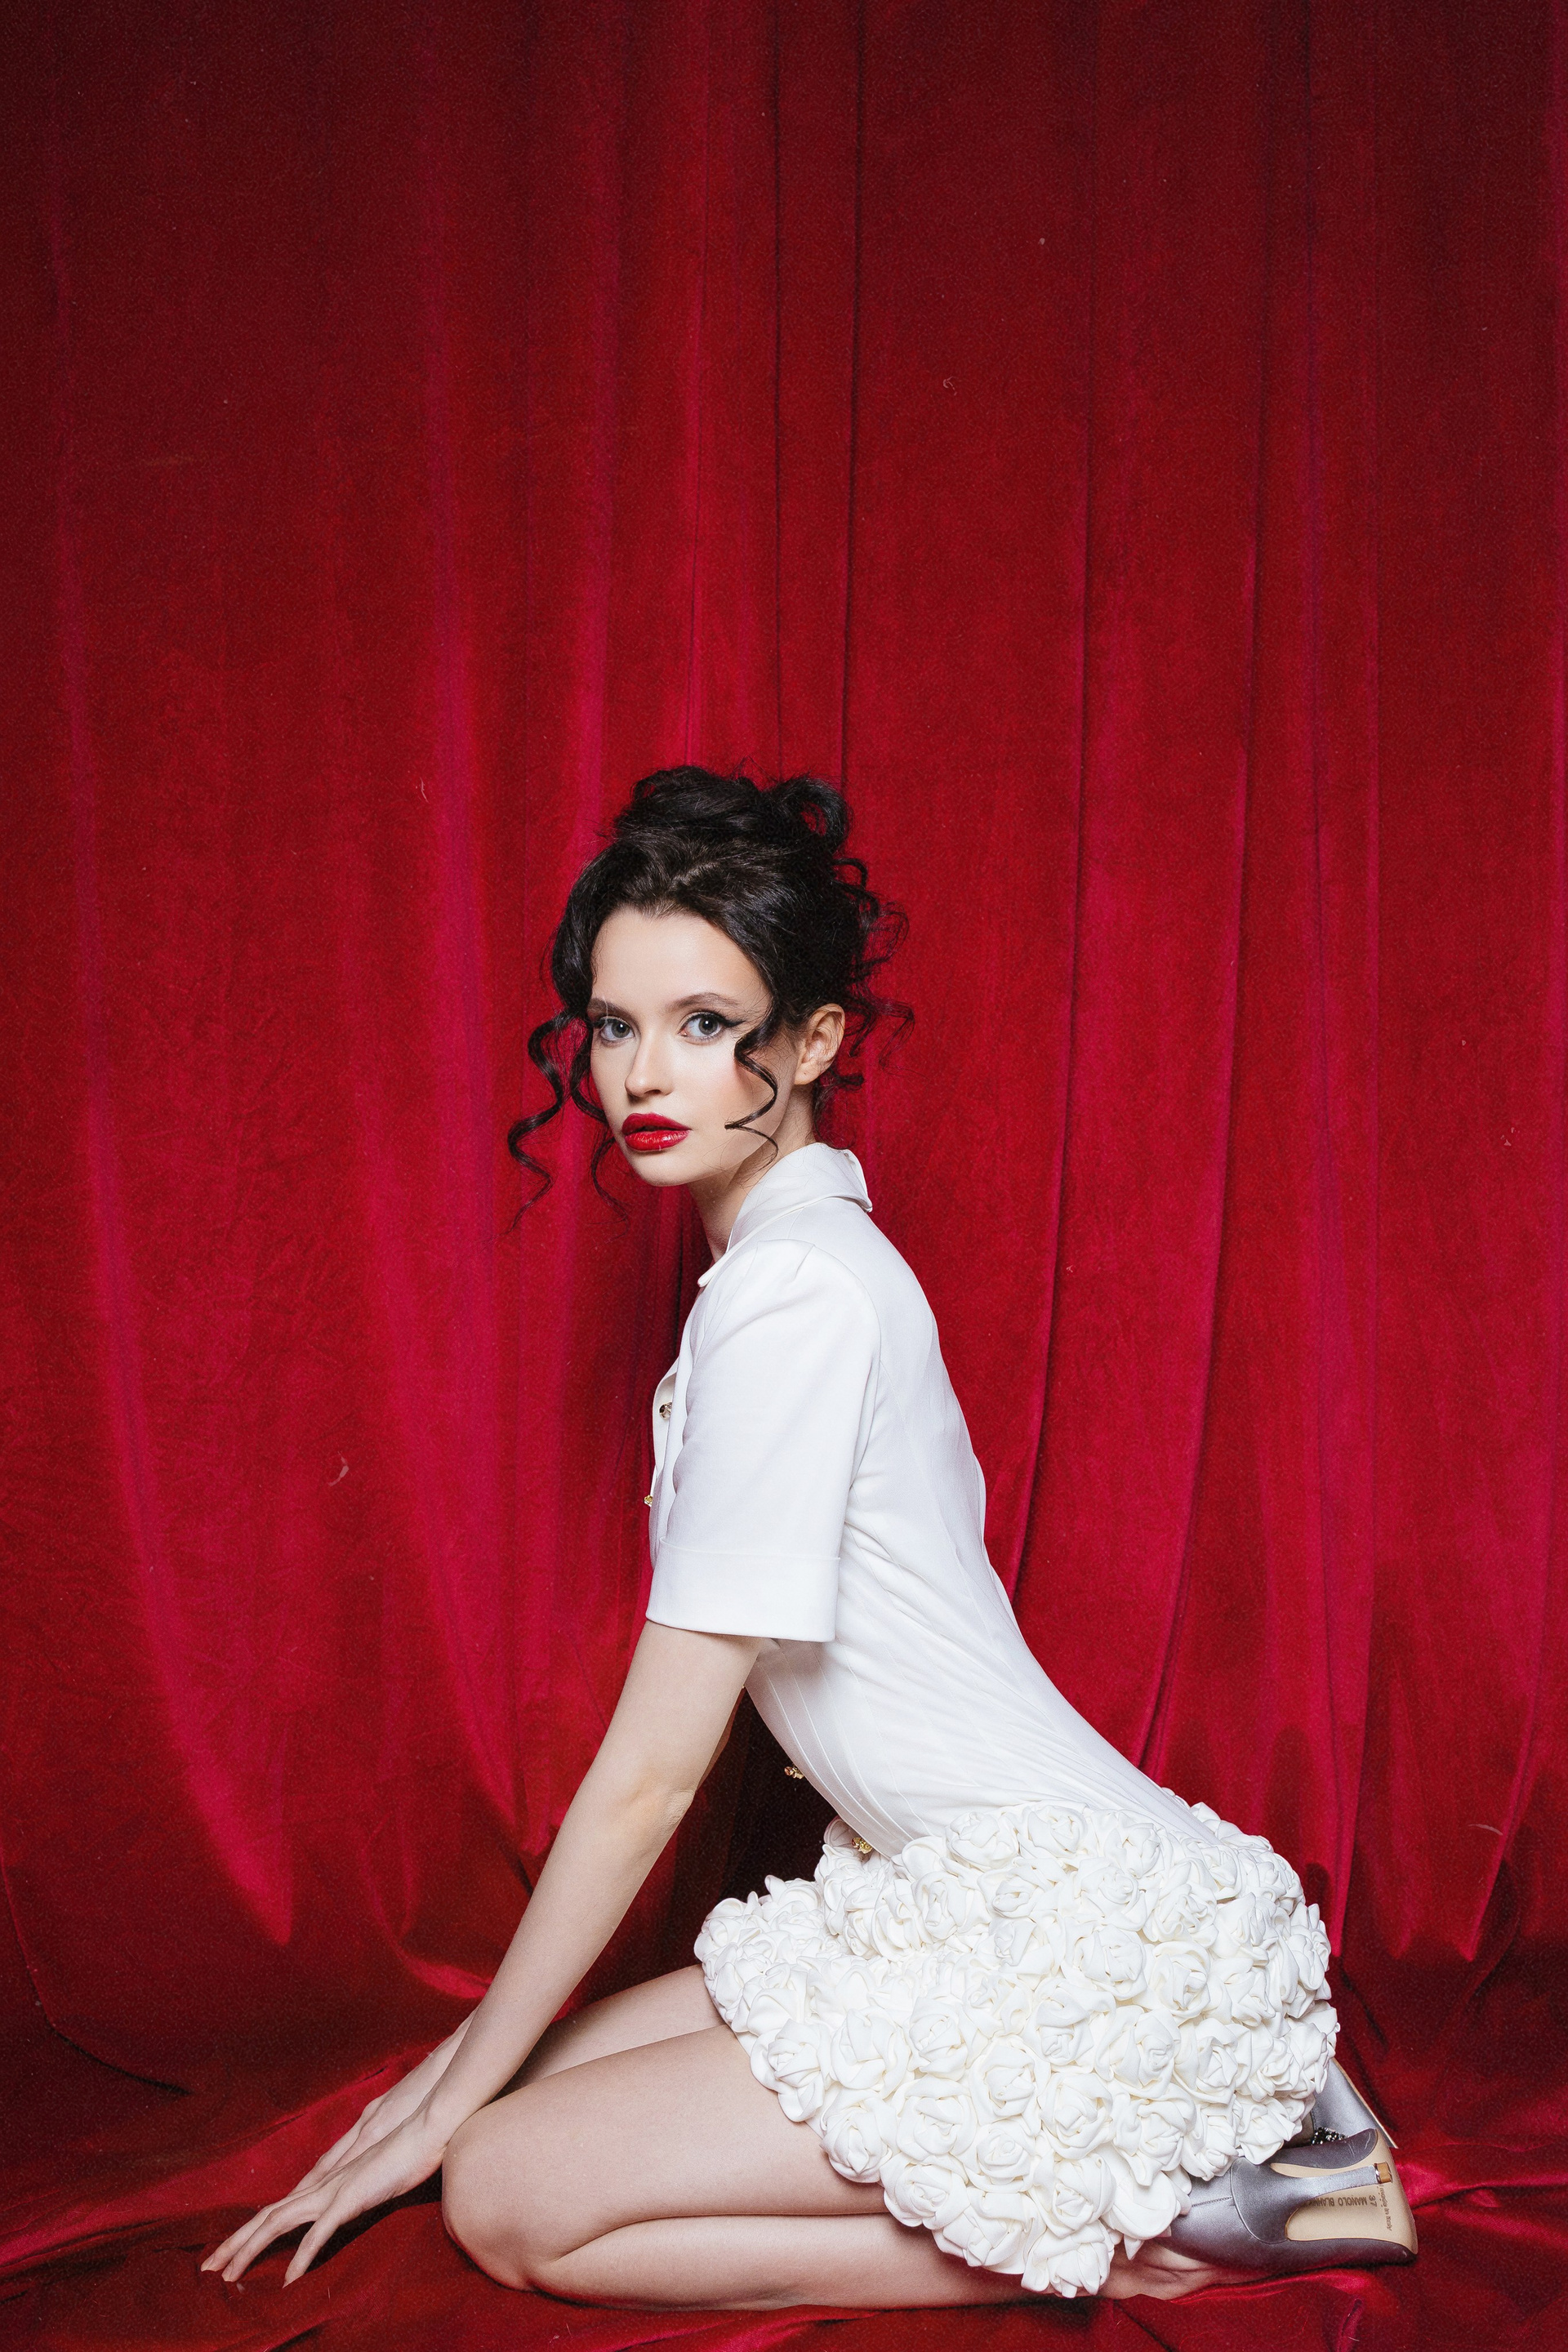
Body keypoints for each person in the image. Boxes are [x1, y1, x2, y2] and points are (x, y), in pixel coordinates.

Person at [204, 768, 1418, 2308]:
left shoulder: (795, 1296)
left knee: (503, 2186)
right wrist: (445, 2080)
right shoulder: (799, 1271)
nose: (645, 1073)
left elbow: (652, 1778)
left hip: (1069, 1936)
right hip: (964, 1895)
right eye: (615, 1024)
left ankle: (1162, 2227)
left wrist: (444, 2113)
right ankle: (1182, 2166)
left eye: (707, 1024)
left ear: (819, 1040)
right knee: (525, 2079)